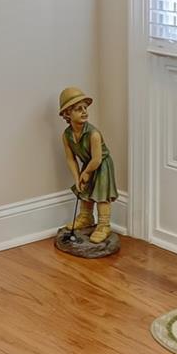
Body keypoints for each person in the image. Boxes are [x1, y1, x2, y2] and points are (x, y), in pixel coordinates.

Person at [57, 86, 118, 248]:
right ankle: (86, 217)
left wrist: (87, 172)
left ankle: (104, 224)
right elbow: (70, 158)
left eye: (85, 108)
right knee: (84, 189)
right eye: (78, 109)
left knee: (101, 194)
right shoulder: (67, 135)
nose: (84, 112)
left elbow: (97, 159)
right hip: (88, 164)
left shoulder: (93, 134)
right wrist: (78, 178)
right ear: (67, 114)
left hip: (101, 165)